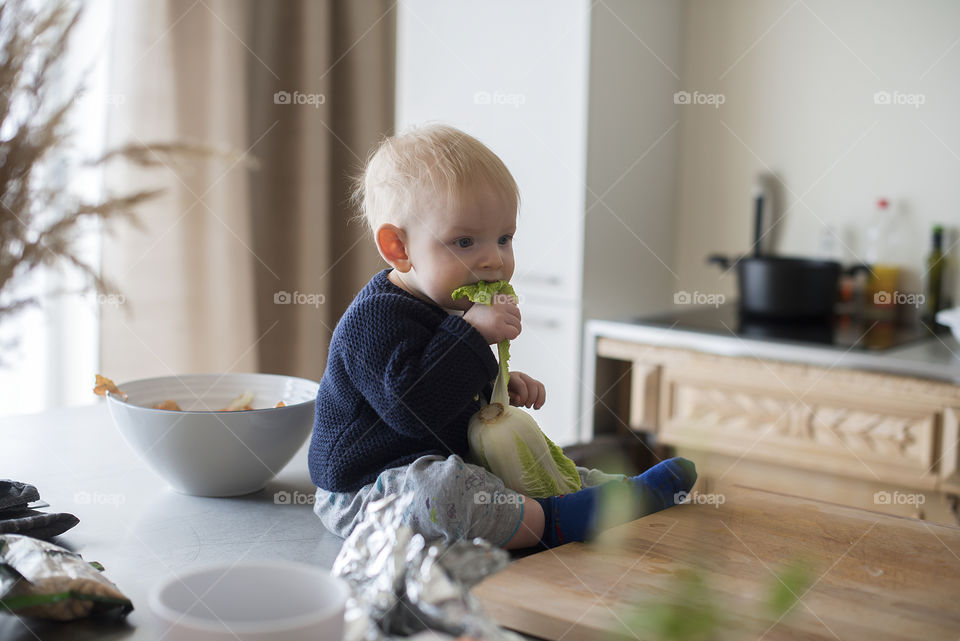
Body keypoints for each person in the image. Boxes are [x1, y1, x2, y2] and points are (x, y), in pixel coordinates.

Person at [308, 124, 696, 549]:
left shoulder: (448, 303)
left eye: (504, 238)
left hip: (442, 459)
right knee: (446, 491)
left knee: (520, 460)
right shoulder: (376, 318)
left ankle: (607, 491)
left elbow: (447, 384)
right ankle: (557, 522)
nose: (494, 258)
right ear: (399, 248)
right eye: (464, 241)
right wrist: (472, 334)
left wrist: (496, 387)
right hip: (368, 489)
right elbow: (412, 407)